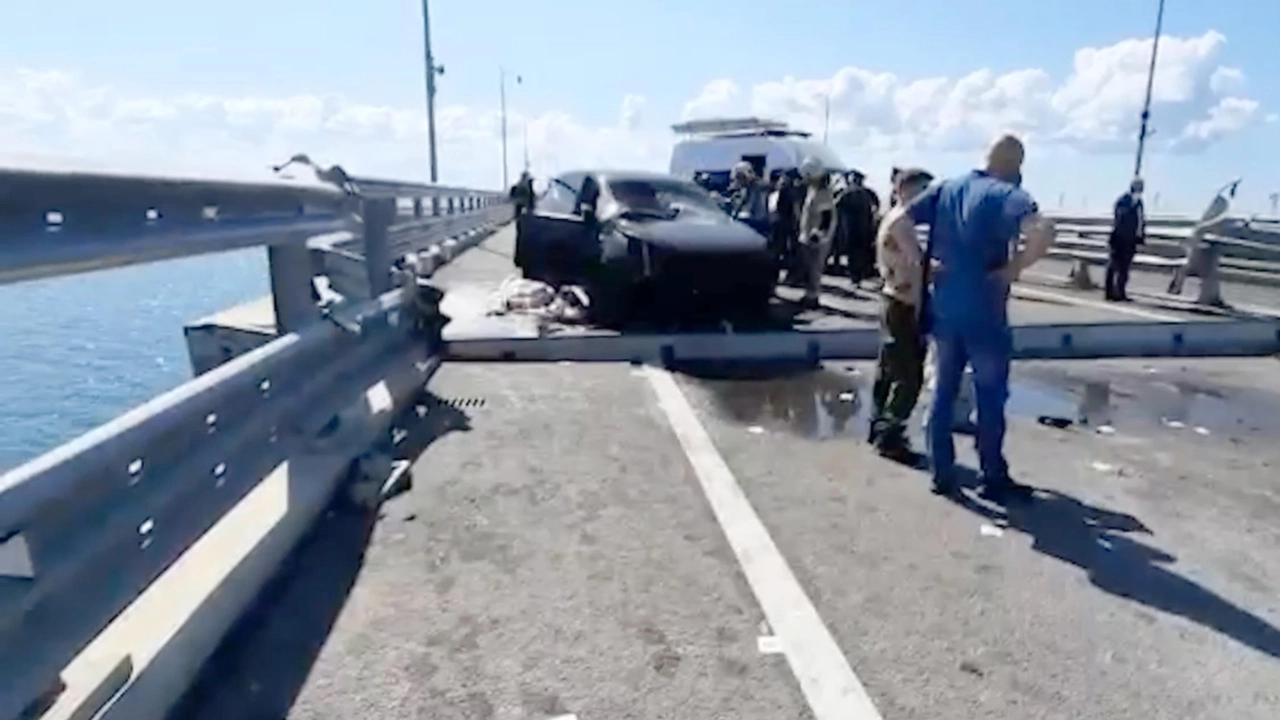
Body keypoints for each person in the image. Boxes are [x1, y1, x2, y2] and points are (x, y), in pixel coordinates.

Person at [881, 134, 1055, 501]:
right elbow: (1043, 230)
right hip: (986, 312)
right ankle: (991, 475)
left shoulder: (947, 188)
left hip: (945, 308)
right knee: (989, 395)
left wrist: (921, 262)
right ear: (1015, 165)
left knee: (942, 392)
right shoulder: (1009, 195)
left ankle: (941, 473)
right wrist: (1015, 268)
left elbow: (897, 220)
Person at [868, 168, 935, 462]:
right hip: (904, 303)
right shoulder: (902, 222)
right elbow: (918, 264)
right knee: (908, 376)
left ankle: (878, 425)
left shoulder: (891, 218)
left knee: (888, 369)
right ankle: (890, 436)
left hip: (894, 298)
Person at [797, 156, 837, 309]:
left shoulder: (823, 194)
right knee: (809, 269)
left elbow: (826, 218)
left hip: (816, 240)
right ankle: (809, 294)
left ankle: (813, 297)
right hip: (808, 236)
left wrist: (818, 235)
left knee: (814, 269)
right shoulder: (813, 190)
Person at [1106, 178, 1145, 301]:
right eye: (1138, 186)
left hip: (1131, 240)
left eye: (1141, 186)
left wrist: (1141, 236)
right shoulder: (1123, 200)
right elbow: (1119, 217)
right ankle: (1109, 292)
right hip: (1119, 239)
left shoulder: (1139, 203)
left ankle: (1120, 292)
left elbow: (1141, 221)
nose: (1140, 189)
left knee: (1125, 267)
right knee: (1113, 265)